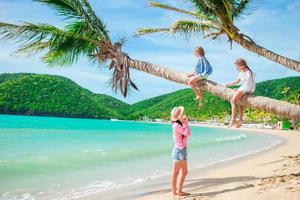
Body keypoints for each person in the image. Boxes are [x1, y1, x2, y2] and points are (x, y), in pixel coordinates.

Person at [225, 58, 256, 128]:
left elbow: (249, 83)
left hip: (247, 87)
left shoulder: (248, 72)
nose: (237, 67)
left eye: (238, 66)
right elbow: (237, 81)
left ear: (243, 65)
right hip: (245, 87)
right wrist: (229, 84)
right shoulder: (242, 72)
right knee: (239, 102)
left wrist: (240, 91)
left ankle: (233, 119)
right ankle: (241, 120)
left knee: (233, 100)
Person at [170, 106, 191, 198]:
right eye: (181, 114)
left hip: (182, 150)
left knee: (184, 172)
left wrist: (184, 123)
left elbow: (186, 134)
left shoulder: (180, 124)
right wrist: (186, 123)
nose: (183, 115)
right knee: (176, 173)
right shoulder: (176, 125)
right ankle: (175, 193)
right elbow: (187, 133)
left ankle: (179, 192)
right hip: (179, 150)